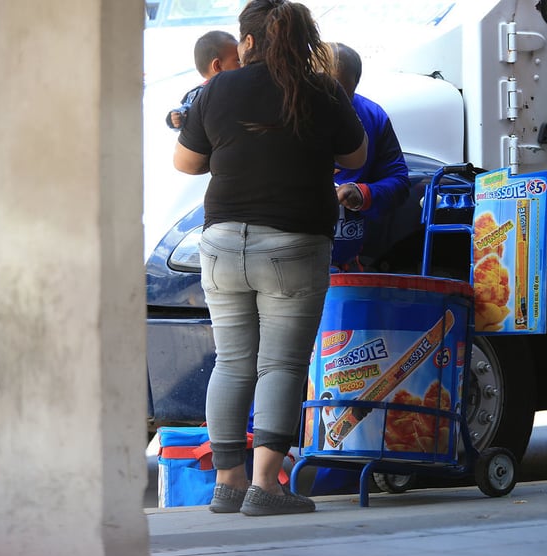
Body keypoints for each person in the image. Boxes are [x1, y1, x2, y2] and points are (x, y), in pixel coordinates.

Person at [173, 0, 367, 516]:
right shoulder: (320, 90)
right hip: (293, 245)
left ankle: (229, 482)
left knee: (232, 362)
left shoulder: (218, 87)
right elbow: (356, 157)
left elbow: (185, 162)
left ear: (249, 42)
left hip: (220, 244)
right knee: (279, 364)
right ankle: (266, 485)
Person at [328, 43, 410, 271]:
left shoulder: (373, 116)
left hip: (347, 266)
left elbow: (400, 182)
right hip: (292, 264)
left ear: (354, 86)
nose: (333, 103)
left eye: (342, 95)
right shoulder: (284, 114)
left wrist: (363, 194)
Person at [165, 30, 240, 131]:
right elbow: (187, 110)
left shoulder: (237, 86)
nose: (244, 64)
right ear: (217, 66)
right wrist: (178, 116)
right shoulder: (200, 94)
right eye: (238, 61)